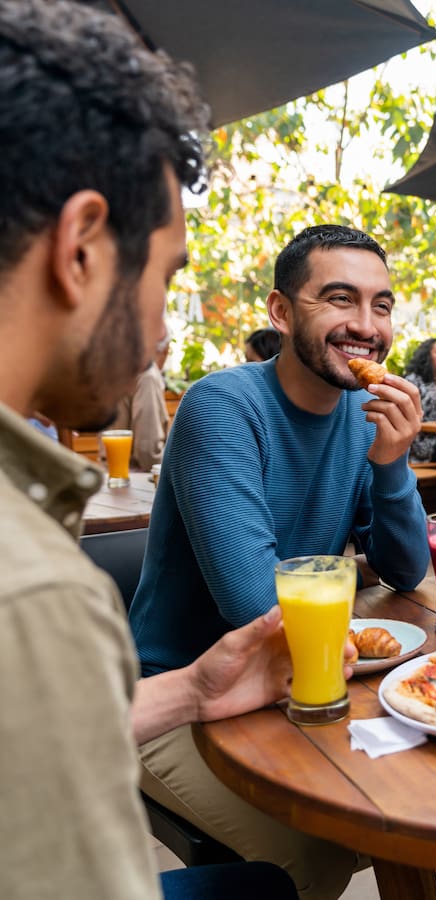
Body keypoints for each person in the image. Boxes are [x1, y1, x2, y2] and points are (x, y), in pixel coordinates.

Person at [0, 1, 307, 897]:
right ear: (84, 247)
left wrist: (192, 694)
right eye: (166, 277)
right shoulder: (38, 593)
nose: (161, 328)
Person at [128, 225, 430, 898]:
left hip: (293, 677)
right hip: (179, 697)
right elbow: (256, 607)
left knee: (406, 804)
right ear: (281, 311)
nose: (366, 325)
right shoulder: (221, 407)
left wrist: (391, 464)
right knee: (320, 856)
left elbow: (405, 569)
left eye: (381, 305)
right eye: (340, 299)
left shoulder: (360, 417)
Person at [111, 337, 171, 470]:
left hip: (114, 473)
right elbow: (148, 451)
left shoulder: (117, 368)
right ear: (165, 350)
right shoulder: (147, 376)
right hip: (138, 479)